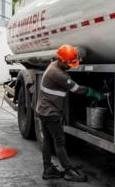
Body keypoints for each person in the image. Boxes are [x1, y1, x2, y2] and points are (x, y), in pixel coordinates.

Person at [36, 44, 104, 182]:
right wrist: (94, 93)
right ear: (61, 60)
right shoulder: (57, 73)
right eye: (69, 63)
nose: (71, 66)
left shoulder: (54, 65)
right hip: (51, 112)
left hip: (44, 110)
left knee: (48, 140)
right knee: (59, 142)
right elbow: (76, 89)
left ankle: (48, 169)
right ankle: (68, 170)